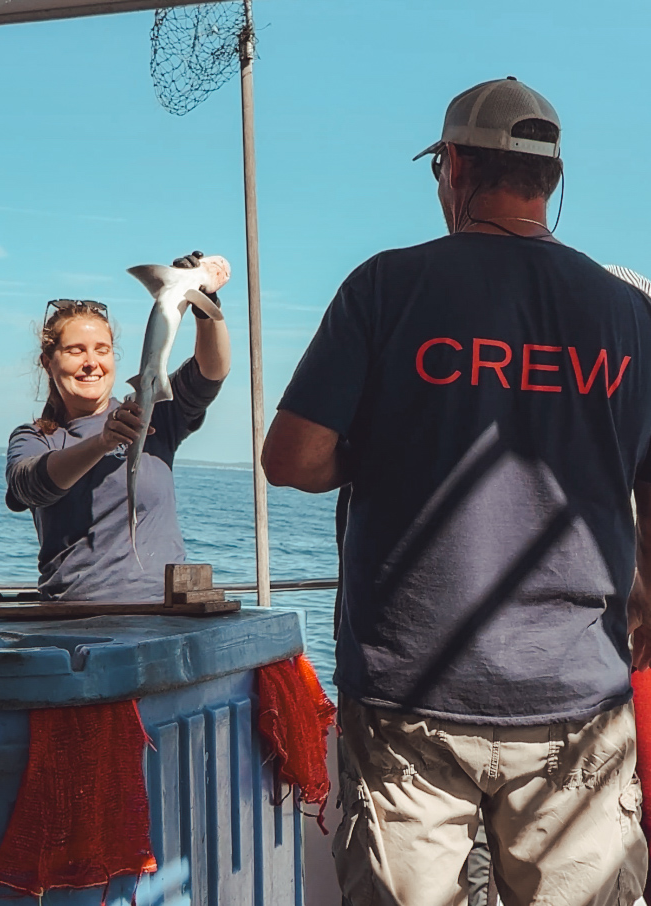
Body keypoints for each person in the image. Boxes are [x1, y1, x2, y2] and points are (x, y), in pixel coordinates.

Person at [263, 77, 651, 906]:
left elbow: (292, 459)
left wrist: (383, 448)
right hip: (576, 691)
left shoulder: (385, 287)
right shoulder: (627, 316)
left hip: (412, 692)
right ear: (548, 180)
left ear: (456, 167)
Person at [5, 252, 230, 602]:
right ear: (48, 362)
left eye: (102, 349)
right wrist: (101, 442)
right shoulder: (36, 437)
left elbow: (210, 372)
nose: (91, 362)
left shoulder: (151, 411)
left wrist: (203, 300)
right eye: (76, 350)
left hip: (167, 613)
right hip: (75, 618)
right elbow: (31, 486)